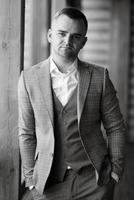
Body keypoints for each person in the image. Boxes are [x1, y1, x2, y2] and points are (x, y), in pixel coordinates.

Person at [18, 7, 126, 200]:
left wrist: (115, 173)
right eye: (62, 33)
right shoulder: (29, 78)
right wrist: (31, 180)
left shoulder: (99, 77)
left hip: (93, 182)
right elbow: (26, 132)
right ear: (50, 35)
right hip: (47, 183)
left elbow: (116, 127)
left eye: (76, 36)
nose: (67, 41)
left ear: (83, 42)